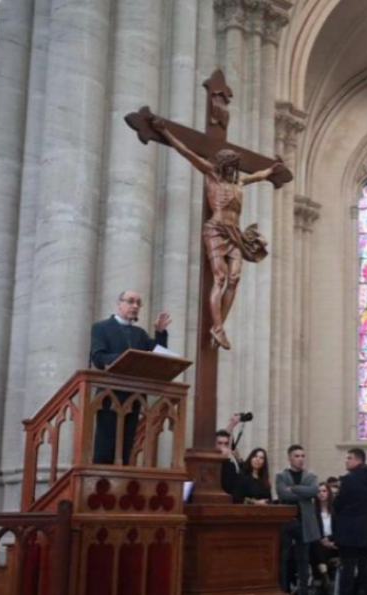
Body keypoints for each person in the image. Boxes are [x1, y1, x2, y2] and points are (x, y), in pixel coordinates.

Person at [154, 117, 284, 350]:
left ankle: (218, 327)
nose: (234, 171)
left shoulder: (240, 181)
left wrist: (273, 169)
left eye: (236, 167)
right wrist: (165, 132)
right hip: (215, 229)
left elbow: (261, 175)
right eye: (231, 167)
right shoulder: (211, 175)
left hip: (235, 233)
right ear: (223, 166)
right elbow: (186, 152)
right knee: (220, 278)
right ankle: (218, 327)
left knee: (234, 278)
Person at [89, 289, 171, 464]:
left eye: (138, 303)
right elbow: (98, 357)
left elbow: (158, 355)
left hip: (134, 398)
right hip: (109, 397)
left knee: (126, 451)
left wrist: (160, 334)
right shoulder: (101, 327)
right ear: (119, 303)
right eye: (131, 301)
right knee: (105, 449)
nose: (135, 306)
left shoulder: (140, 334)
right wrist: (128, 358)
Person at [275, 444, 321, 595]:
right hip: (287, 522)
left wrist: (293, 488)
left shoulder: (310, 475)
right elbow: (282, 493)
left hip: (304, 523)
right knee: (284, 558)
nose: (300, 459)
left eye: (302, 456)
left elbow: (314, 491)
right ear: (289, 457)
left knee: (303, 560)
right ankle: (283, 591)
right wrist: (302, 492)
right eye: (297, 456)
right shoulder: (281, 475)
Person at [332, 448, 367, 595]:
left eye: (349, 458)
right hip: (365, 530)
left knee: (348, 566)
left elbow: (339, 503)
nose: (346, 460)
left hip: (349, 529)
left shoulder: (349, 480)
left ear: (359, 460)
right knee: (366, 566)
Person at [311, 483, 339, 593]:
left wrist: (331, 540)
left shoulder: (336, 511)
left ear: (329, 493)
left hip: (334, 544)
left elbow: (339, 529)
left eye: (324, 491)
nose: (321, 494)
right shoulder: (313, 512)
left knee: (317, 553)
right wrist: (322, 539)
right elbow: (313, 530)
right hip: (319, 543)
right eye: (319, 491)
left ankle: (323, 578)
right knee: (316, 547)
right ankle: (325, 577)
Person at [217, 429, 241, 497]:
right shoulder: (207, 462)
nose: (223, 446)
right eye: (219, 443)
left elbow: (232, 488)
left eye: (226, 444)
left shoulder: (231, 465)